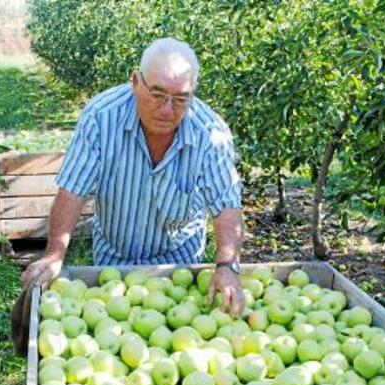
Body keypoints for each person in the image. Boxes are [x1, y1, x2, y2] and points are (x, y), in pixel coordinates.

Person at [20, 37, 245, 316]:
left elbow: (227, 205)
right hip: (113, 259)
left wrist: (227, 266)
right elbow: (72, 190)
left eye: (180, 99)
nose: (166, 110)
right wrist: (55, 254)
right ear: (136, 81)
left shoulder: (210, 133)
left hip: (178, 266)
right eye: (157, 94)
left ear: (193, 92)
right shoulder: (101, 118)